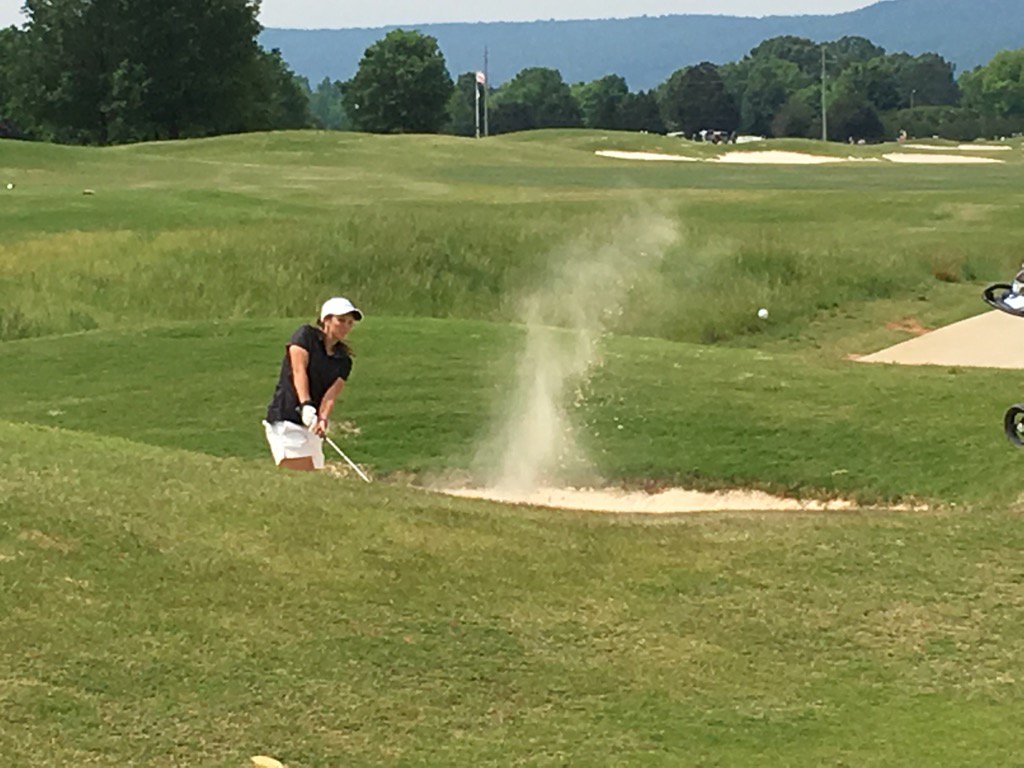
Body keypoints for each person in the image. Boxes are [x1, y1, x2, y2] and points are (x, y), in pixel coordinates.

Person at [262, 297, 362, 471]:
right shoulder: (305, 336)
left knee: (314, 477)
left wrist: (322, 419)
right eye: (341, 320)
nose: (346, 326)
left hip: (310, 426)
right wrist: (306, 405)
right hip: (286, 419)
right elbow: (298, 371)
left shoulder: (343, 360)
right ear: (326, 320)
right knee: (299, 474)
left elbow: (330, 396)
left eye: (350, 323)